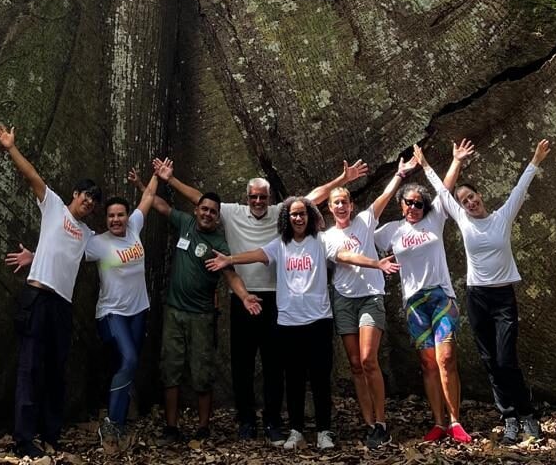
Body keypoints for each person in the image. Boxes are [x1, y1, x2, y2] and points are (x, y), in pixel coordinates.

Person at [155, 157, 367, 443]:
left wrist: (343, 179)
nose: (258, 201)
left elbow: (312, 198)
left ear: (270, 199)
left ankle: (272, 421)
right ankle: (246, 420)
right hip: (241, 295)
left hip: (275, 299)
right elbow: (199, 199)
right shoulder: (232, 213)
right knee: (241, 364)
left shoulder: (281, 214)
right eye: (253, 197)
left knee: (274, 364)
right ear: (247, 198)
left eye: (262, 197)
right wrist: (170, 179)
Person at [413, 139, 551, 445]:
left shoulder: (502, 218)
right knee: (490, 361)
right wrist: (425, 165)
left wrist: (535, 160)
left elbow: (520, 189)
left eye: (471, 197)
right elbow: (442, 193)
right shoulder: (463, 221)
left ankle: (527, 414)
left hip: (503, 300)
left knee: (506, 360)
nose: (469, 203)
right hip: (477, 298)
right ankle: (509, 417)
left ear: (480, 196)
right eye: (464, 201)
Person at [0, 122, 101, 458]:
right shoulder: (53, 206)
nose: (89, 203)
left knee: (56, 371)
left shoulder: (87, 236)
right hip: (38, 298)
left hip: (62, 306)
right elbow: (32, 176)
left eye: (94, 201)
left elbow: (110, 254)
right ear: (75, 194)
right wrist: (11, 147)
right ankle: (24, 438)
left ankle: (51, 432)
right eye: (87, 196)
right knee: (30, 368)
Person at [135, 171, 261, 442]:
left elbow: (231, 276)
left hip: (202, 316)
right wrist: (142, 185)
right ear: (196, 210)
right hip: (174, 312)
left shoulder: (219, 244)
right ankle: (171, 427)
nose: (207, 214)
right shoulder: (185, 223)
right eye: (204, 209)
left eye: (213, 212)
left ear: (218, 216)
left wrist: (244, 296)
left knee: (202, 371)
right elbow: (161, 206)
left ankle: (204, 427)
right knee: (170, 369)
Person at [207, 197, 336, 453]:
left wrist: (375, 263)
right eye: (293, 214)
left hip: (319, 321)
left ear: (309, 216)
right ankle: (296, 430)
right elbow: (257, 254)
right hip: (289, 322)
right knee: (294, 378)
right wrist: (229, 260)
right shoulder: (281, 244)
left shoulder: (321, 241)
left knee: (320, 378)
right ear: (286, 218)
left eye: (302, 214)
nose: (298, 218)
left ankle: (324, 430)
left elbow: (342, 254)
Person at [374, 142, 474, 445]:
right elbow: (363, 234)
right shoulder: (391, 231)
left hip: (441, 296)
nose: (414, 208)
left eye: (419, 204)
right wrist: (377, 264)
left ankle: (455, 421)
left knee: (446, 358)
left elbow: (445, 188)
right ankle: (438, 423)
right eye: (409, 203)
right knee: (428, 363)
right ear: (401, 204)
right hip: (414, 303)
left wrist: (456, 161)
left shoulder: (434, 219)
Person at [315, 160, 416, 450]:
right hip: (344, 299)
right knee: (355, 364)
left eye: (344, 202)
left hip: (370, 296)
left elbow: (385, 196)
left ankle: (382, 422)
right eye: (336, 203)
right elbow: (345, 257)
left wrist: (399, 174)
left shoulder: (365, 221)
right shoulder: (327, 238)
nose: (341, 206)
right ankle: (369, 423)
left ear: (351, 205)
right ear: (330, 209)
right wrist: (376, 262)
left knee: (369, 358)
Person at [85, 167, 162, 449]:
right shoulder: (98, 244)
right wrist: (34, 256)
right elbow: (66, 252)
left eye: (120, 215)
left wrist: (157, 174)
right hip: (112, 313)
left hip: (138, 312)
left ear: (127, 216)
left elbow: (149, 197)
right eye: (111, 216)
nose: (116, 220)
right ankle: (112, 424)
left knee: (128, 364)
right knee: (128, 360)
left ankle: (118, 417)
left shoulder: (134, 229)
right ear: (105, 219)